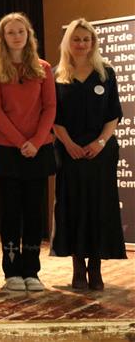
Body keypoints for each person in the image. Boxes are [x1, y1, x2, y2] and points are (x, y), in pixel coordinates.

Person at [51, 18, 126, 291]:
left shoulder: (106, 73)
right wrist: (68, 143)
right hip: (68, 151)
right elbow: (53, 117)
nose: (81, 44)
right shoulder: (57, 75)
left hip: (101, 152)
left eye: (86, 39)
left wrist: (101, 142)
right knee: (72, 206)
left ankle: (95, 268)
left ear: (93, 42)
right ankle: (77, 267)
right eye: (76, 39)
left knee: (98, 207)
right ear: (68, 43)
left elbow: (114, 114)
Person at [0, 13, 56, 292]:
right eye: (10, 32)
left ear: (28, 36)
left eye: (20, 31)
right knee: (11, 211)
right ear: (2, 38)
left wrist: (36, 141)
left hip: (38, 149)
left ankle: (32, 271)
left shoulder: (43, 68)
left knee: (34, 211)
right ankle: (11, 271)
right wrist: (20, 142)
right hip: (8, 150)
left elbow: (50, 107)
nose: (16, 36)